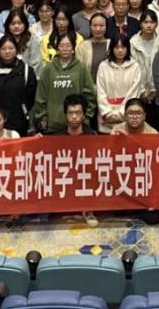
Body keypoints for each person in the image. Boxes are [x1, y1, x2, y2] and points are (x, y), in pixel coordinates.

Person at [33, 32, 96, 133]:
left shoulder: (81, 68)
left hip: (76, 125)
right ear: (57, 48)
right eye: (62, 46)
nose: (65, 49)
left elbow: (90, 94)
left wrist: (87, 115)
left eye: (68, 45)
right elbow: (41, 95)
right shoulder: (49, 68)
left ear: (73, 48)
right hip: (53, 124)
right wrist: (42, 116)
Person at [52, 94, 98, 227]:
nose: (74, 117)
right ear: (65, 114)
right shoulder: (56, 138)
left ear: (83, 115)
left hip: (85, 176)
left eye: (78, 113)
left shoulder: (92, 136)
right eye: (70, 113)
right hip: (64, 176)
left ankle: (88, 209)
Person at [0, 36, 38, 136]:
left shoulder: (26, 70)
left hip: (19, 121)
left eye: (11, 48)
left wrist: (23, 109)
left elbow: (31, 96)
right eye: (3, 49)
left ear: (16, 49)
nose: (7, 51)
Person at [96, 35, 143, 133]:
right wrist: (107, 113)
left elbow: (134, 92)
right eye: (117, 47)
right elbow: (100, 92)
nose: (120, 50)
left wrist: (122, 113)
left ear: (128, 48)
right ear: (111, 48)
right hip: (106, 116)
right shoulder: (103, 66)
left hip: (127, 116)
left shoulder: (135, 67)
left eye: (123, 47)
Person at [131, 9, 159, 102]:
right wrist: (141, 90)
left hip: (158, 91)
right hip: (138, 90)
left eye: (152, 22)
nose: (149, 25)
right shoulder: (133, 43)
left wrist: (156, 89)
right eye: (145, 22)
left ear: (156, 24)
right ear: (140, 24)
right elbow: (132, 69)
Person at [3, 9, 43, 77]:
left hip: (27, 79)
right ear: (8, 25)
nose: (16, 26)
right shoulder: (3, 41)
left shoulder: (32, 41)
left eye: (19, 23)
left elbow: (36, 65)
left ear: (25, 24)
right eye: (13, 23)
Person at [77, 12, 112, 81]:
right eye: (94, 25)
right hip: (89, 85)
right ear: (90, 26)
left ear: (106, 27)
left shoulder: (112, 44)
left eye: (101, 26)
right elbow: (79, 70)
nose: (98, 29)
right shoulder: (82, 46)